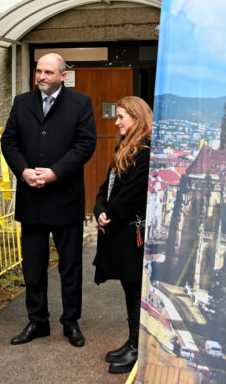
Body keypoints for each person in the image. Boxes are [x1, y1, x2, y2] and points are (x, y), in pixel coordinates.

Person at [1, 53, 97, 348]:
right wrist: (23, 171)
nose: (41, 76)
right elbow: (9, 141)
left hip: (65, 198)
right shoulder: (22, 103)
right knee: (33, 266)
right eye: (38, 71)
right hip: (32, 198)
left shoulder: (80, 103)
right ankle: (37, 321)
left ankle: (71, 321)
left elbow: (86, 144)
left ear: (63, 76)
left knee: (70, 266)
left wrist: (56, 173)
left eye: (48, 72)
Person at [93, 96, 152, 374]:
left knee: (136, 288)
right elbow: (107, 186)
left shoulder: (146, 151)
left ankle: (138, 349)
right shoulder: (124, 147)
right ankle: (132, 342)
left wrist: (110, 214)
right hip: (119, 229)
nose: (116, 122)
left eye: (121, 117)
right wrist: (99, 209)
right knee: (130, 288)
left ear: (136, 118)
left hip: (132, 233)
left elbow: (133, 193)